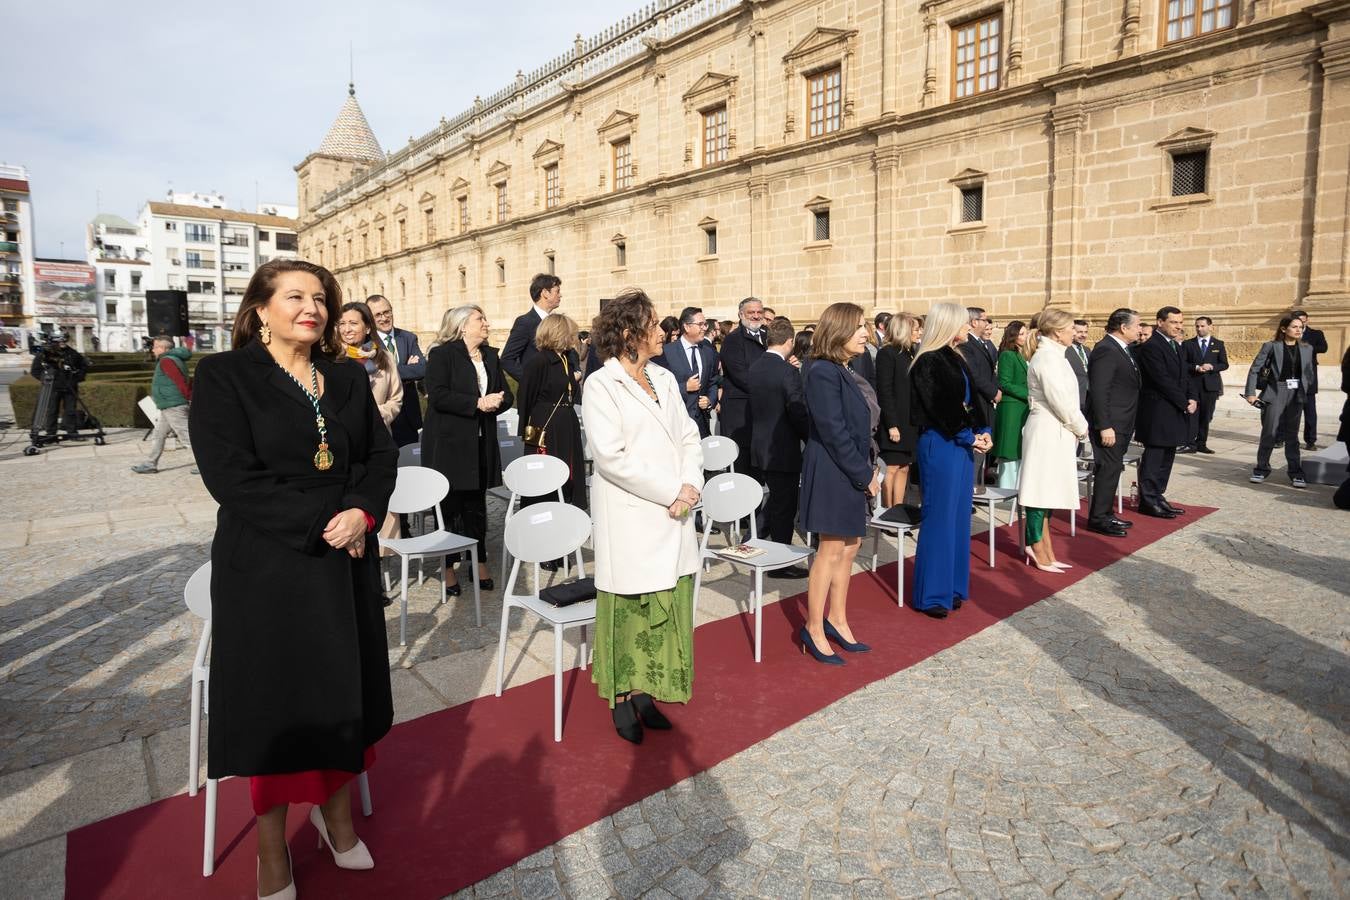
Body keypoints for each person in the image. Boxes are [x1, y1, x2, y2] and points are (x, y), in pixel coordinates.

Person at [189, 259, 397, 900]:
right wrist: (321, 521)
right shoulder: (225, 376)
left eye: (321, 299)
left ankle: (337, 820)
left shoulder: (345, 376)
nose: (312, 308)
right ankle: (270, 844)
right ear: (259, 309)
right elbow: (231, 476)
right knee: (278, 704)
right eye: (295, 296)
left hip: (346, 558)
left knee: (341, 695)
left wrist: (361, 512)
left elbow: (378, 455)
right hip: (270, 564)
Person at [582, 288, 703, 743]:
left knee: (665, 605)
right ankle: (621, 696)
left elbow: (689, 435)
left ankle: (648, 692)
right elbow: (611, 457)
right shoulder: (601, 384)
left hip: (675, 513)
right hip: (634, 516)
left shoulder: (665, 378)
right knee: (630, 610)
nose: (663, 332)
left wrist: (691, 485)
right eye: (654, 326)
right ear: (630, 333)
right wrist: (673, 489)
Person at [799, 303, 880, 664]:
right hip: (835, 470)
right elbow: (833, 431)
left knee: (850, 545)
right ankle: (814, 628)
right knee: (830, 550)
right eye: (860, 327)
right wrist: (865, 476)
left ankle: (838, 618)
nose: (866, 333)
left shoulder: (843, 368)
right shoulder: (821, 372)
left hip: (851, 467)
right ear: (839, 331)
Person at [421, 305, 513, 594]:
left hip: (480, 440)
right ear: (462, 326)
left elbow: (506, 394)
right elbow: (437, 395)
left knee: (476, 505)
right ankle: (448, 566)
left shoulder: (490, 356)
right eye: (480, 319)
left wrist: (498, 401)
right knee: (449, 506)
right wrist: (476, 403)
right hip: (448, 443)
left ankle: (479, 560)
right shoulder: (442, 354)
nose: (486, 323)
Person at [909, 302, 992, 619]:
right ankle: (931, 594)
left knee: (959, 518)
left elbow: (972, 402)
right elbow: (941, 406)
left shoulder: (957, 358)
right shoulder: (928, 361)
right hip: (941, 444)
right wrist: (969, 434)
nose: (969, 327)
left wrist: (982, 430)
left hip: (960, 445)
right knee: (940, 518)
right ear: (948, 325)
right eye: (964, 323)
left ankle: (953, 586)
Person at [1018, 310, 1090, 571]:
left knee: (1049, 489)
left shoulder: (1056, 355)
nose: (1076, 332)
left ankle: (1045, 546)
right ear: (1058, 332)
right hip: (1047, 429)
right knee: (1040, 488)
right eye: (1071, 327)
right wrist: (1082, 428)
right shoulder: (1047, 357)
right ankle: (1036, 544)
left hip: (1057, 428)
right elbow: (1059, 399)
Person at [748, 317, 810, 577]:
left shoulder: (755, 367)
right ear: (790, 342)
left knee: (776, 499)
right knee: (785, 505)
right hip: (782, 448)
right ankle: (781, 564)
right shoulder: (787, 372)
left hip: (760, 444)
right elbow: (796, 410)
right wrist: (810, 436)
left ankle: (755, 542)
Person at [517, 313, 588, 513]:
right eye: (571, 333)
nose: (574, 338)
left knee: (569, 469)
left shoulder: (565, 358)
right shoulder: (538, 361)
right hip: (545, 425)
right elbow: (525, 398)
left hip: (566, 422)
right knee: (546, 472)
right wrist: (527, 433)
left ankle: (567, 507)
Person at [1135, 306, 1197, 517]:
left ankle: (1159, 495)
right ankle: (1148, 499)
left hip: (1174, 410)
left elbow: (1184, 376)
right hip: (1157, 411)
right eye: (1173, 322)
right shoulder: (1152, 346)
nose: (1178, 327)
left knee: (1167, 455)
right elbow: (1162, 379)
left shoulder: (1176, 346)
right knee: (1154, 457)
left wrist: (1192, 396)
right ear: (1160, 322)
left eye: (1180, 323)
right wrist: (1183, 401)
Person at [1085, 308, 1142, 537]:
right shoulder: (1106, 350)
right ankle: (1098, 518)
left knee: (1113, 468)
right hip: (1111, 424)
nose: (1140, 329)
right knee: (1108, 468)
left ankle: (1106, 513)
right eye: (1137, 325)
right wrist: (1104, 425)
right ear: (1123, 327)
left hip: (1122, 421)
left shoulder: (1123, 349)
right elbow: (1099, 390)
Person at [1244, 315, 1316, 488]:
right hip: (1275, 391)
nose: (1299, 329)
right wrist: (1250, 393)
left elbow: (1309, 372)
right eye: (1294, 326)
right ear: (1284, 329)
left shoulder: (1307, 348)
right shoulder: (1270, 346)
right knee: (1270, 431)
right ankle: (1261, 468)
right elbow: (1255, 369)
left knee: (1292, 435)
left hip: (1296, 393)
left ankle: (1295, 472)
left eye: (1301, 327)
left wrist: (1306, 388)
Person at [366, 295, 425, 448]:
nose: (384, 318)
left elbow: (421, 369)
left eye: (387, 312)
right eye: (378, 315)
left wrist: (386, 371)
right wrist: (406, 368)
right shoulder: (367, 344)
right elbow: (370, 375)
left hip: (408, 415)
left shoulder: (408, 337)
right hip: (383, 415)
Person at [132, 336, 196, 475]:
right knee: (158, 435)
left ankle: (206, 465)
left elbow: (180, 382)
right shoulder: (174, 359)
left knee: (186, 436)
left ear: (163, 348)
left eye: (155, 347)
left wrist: (188, 398)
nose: (153, 350)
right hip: (169, 405)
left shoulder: (167, 361)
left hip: (173, 405)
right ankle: (150, 464)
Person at [718, 297, 768, 474]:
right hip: (741, 414)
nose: (756, 316)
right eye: (751, 312)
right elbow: (742, 376)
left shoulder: (768, 336)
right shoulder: (733, 341)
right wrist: (773, 387)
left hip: (762, 412)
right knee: (742, 466)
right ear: (740, 315)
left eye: (759, 312)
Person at [875, 312, 918, 506]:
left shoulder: (911, 353)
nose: (919, 332)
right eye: (915, 329)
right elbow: (885, 390)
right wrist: (892, 424)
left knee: (904, 468)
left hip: (910, 421)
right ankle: (887, 511)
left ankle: (898, 510)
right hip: (895, 421)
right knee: (891, 468)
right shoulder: (887, 353)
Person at [338, 302, 403, 429]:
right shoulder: (331, 359)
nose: (346, 330)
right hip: (342, 436)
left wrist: (374, 416)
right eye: (342, 324)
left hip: (376, 433)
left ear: (367, 328)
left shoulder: (385, 358)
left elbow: (396, 399)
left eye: (353, 323)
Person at [661, 306, 719, 437]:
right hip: (676, 423)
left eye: (705, 324)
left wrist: (710, 399)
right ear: (686, 327)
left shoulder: (708, 351)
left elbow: (713, 382)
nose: (705, 328)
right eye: (701, 324)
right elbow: (658, 386)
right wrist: (684, 387)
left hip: (701, 425)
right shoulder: (667, 352)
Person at [501, 273, 562, 383]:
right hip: (538, 396)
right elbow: (507, 360)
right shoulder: (525, 322)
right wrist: (532, 382)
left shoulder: (557, 322)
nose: (560, 295)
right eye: (557, 291)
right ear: (545, 293)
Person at [990, 321, 1030, 489]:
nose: (1025, 336)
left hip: (1023, 407)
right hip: (1011, 407)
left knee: (1020, 450)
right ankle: (1006, 489)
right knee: (1010, 451)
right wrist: (1028, 394)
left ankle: (1018, 488)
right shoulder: (1007, 355)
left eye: (1025, 333)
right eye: (1021, 334)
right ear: (1013, 336)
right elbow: (1005, 383)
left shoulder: (1025, 355)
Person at [1180, 316, 1228, 454]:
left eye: (1202, 326)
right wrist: (1196, 367)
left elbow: (1224, 364)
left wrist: (1212, 366)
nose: (1199, 329)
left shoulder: (1218, 344)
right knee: (1192, 414)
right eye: (1197, 326)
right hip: (1193, 385)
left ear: (1210, 327)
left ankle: (1201, 443)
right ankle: (1189, 444)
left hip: (1210, 386)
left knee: (1206, 416)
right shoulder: (1188, 344)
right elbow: (1183, 364)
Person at [959, 307, 1001, 465]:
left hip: (986, 400)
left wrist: (997, 389)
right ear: (975, 321)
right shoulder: (966, 344)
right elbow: (974, 374)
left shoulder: (982, 343)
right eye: (984, 320)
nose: (986, 323)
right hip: (978, 399)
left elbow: (991, 371)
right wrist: (992, 392)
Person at [30, 332, 87, 438]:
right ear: (54, 341)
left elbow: (83, 366)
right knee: (52, 410)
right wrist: (46, 379)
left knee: (70, 410)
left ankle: (72, 432)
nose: (63, 343)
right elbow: (35, 370)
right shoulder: (44, 354)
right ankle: (51, 433)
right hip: (52, 387)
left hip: (69, 386)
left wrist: (77, 378)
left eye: (64, 340)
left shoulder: (72, 353)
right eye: (60, 341)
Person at [1292, 309, 1328, 450]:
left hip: (1308, 377)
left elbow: (1323, 348)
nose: (1300, 322)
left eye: (1302, 319)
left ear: (1307, 319)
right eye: (1297, 320)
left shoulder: (1315, 333)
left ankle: (1310, 440)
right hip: (1292, 377)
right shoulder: (1288, 333)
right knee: (1290, 411)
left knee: (1310, 411)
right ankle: (1285, 438)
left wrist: (1306, 347)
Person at [1066, 318, 1091, 421]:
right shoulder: (1065, 351)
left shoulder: (1087, 350)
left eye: (1085, 332)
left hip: (1088, 399)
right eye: (1079, 332)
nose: (1083, 335)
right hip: (1073, 399)